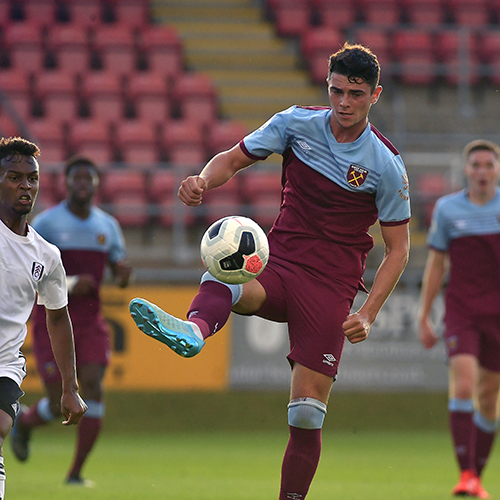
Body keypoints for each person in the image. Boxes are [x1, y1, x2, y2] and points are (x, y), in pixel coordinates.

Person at [129, 42, 411, 499]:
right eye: (337, 90)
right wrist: (203, 179)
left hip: (331, 287)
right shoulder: (295, 123)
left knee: (305, 414)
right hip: (278, 263)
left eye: (355, 94)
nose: (343, 102)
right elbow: (233, 159)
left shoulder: (385, 164)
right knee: (225, 269)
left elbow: (398, 249)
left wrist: (369, 312)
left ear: (374, 96)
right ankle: (195, 331)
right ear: (327, 83)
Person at [10, 156, 132, 486]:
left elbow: (119, 273)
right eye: (76, 177)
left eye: (88, 178)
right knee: (57, 398)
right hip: (53, 318)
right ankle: (25, 423)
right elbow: (32, 276)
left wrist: (122, 274)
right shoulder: (47, 224)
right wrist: (75, 283)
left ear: (95, 184)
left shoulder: (107, 226)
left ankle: (76, 473)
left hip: (91, 322)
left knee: (92, 389)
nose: (82, 183)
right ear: (66, 183)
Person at [0, 137, 87, 498]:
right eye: (14, 177)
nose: (26, 185)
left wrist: (69, 386)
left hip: (4, 364)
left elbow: (57, 316)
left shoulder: (46, 255)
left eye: (32, 178)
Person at [418, 139, 500, 499]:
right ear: (465, 170)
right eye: (476, 165)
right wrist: (424, 315)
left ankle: (476, 477)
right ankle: (465, 472)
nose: (482, 171)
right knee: (464, 385)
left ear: (496, 169)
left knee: (488, 397)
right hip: (462, 311)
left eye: (488, 165)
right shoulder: (448, 210)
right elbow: (436, 264)